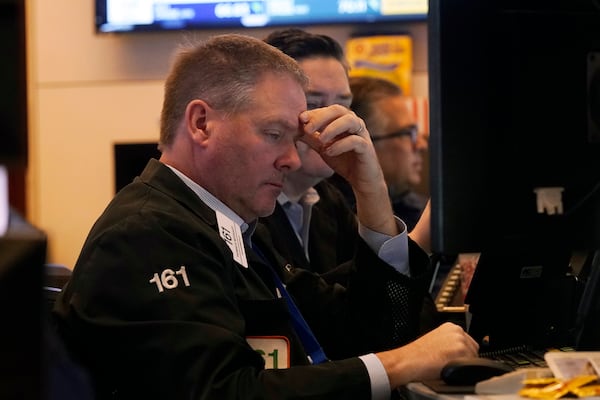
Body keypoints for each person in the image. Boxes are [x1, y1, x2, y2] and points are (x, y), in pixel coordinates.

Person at [52, 33, 478, 399]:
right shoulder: (146, 234)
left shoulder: (230, 228)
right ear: (201, 123)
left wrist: (371, 191)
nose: (293, 159)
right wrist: (397, 366)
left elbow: (372, 329)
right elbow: (222, 392)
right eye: (274, 135)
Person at [260, 28, 438, 338]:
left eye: (344, 104)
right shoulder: (247, 208)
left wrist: (371, 187)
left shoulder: (326, 201)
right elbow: (318, 324)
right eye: (314, 103)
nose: (334, 121)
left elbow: (391, 316)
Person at [328, 76, 429, 232]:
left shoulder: (417, 207)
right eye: (409, 133)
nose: (422, 144)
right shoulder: (333, 221)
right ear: (362, 143)